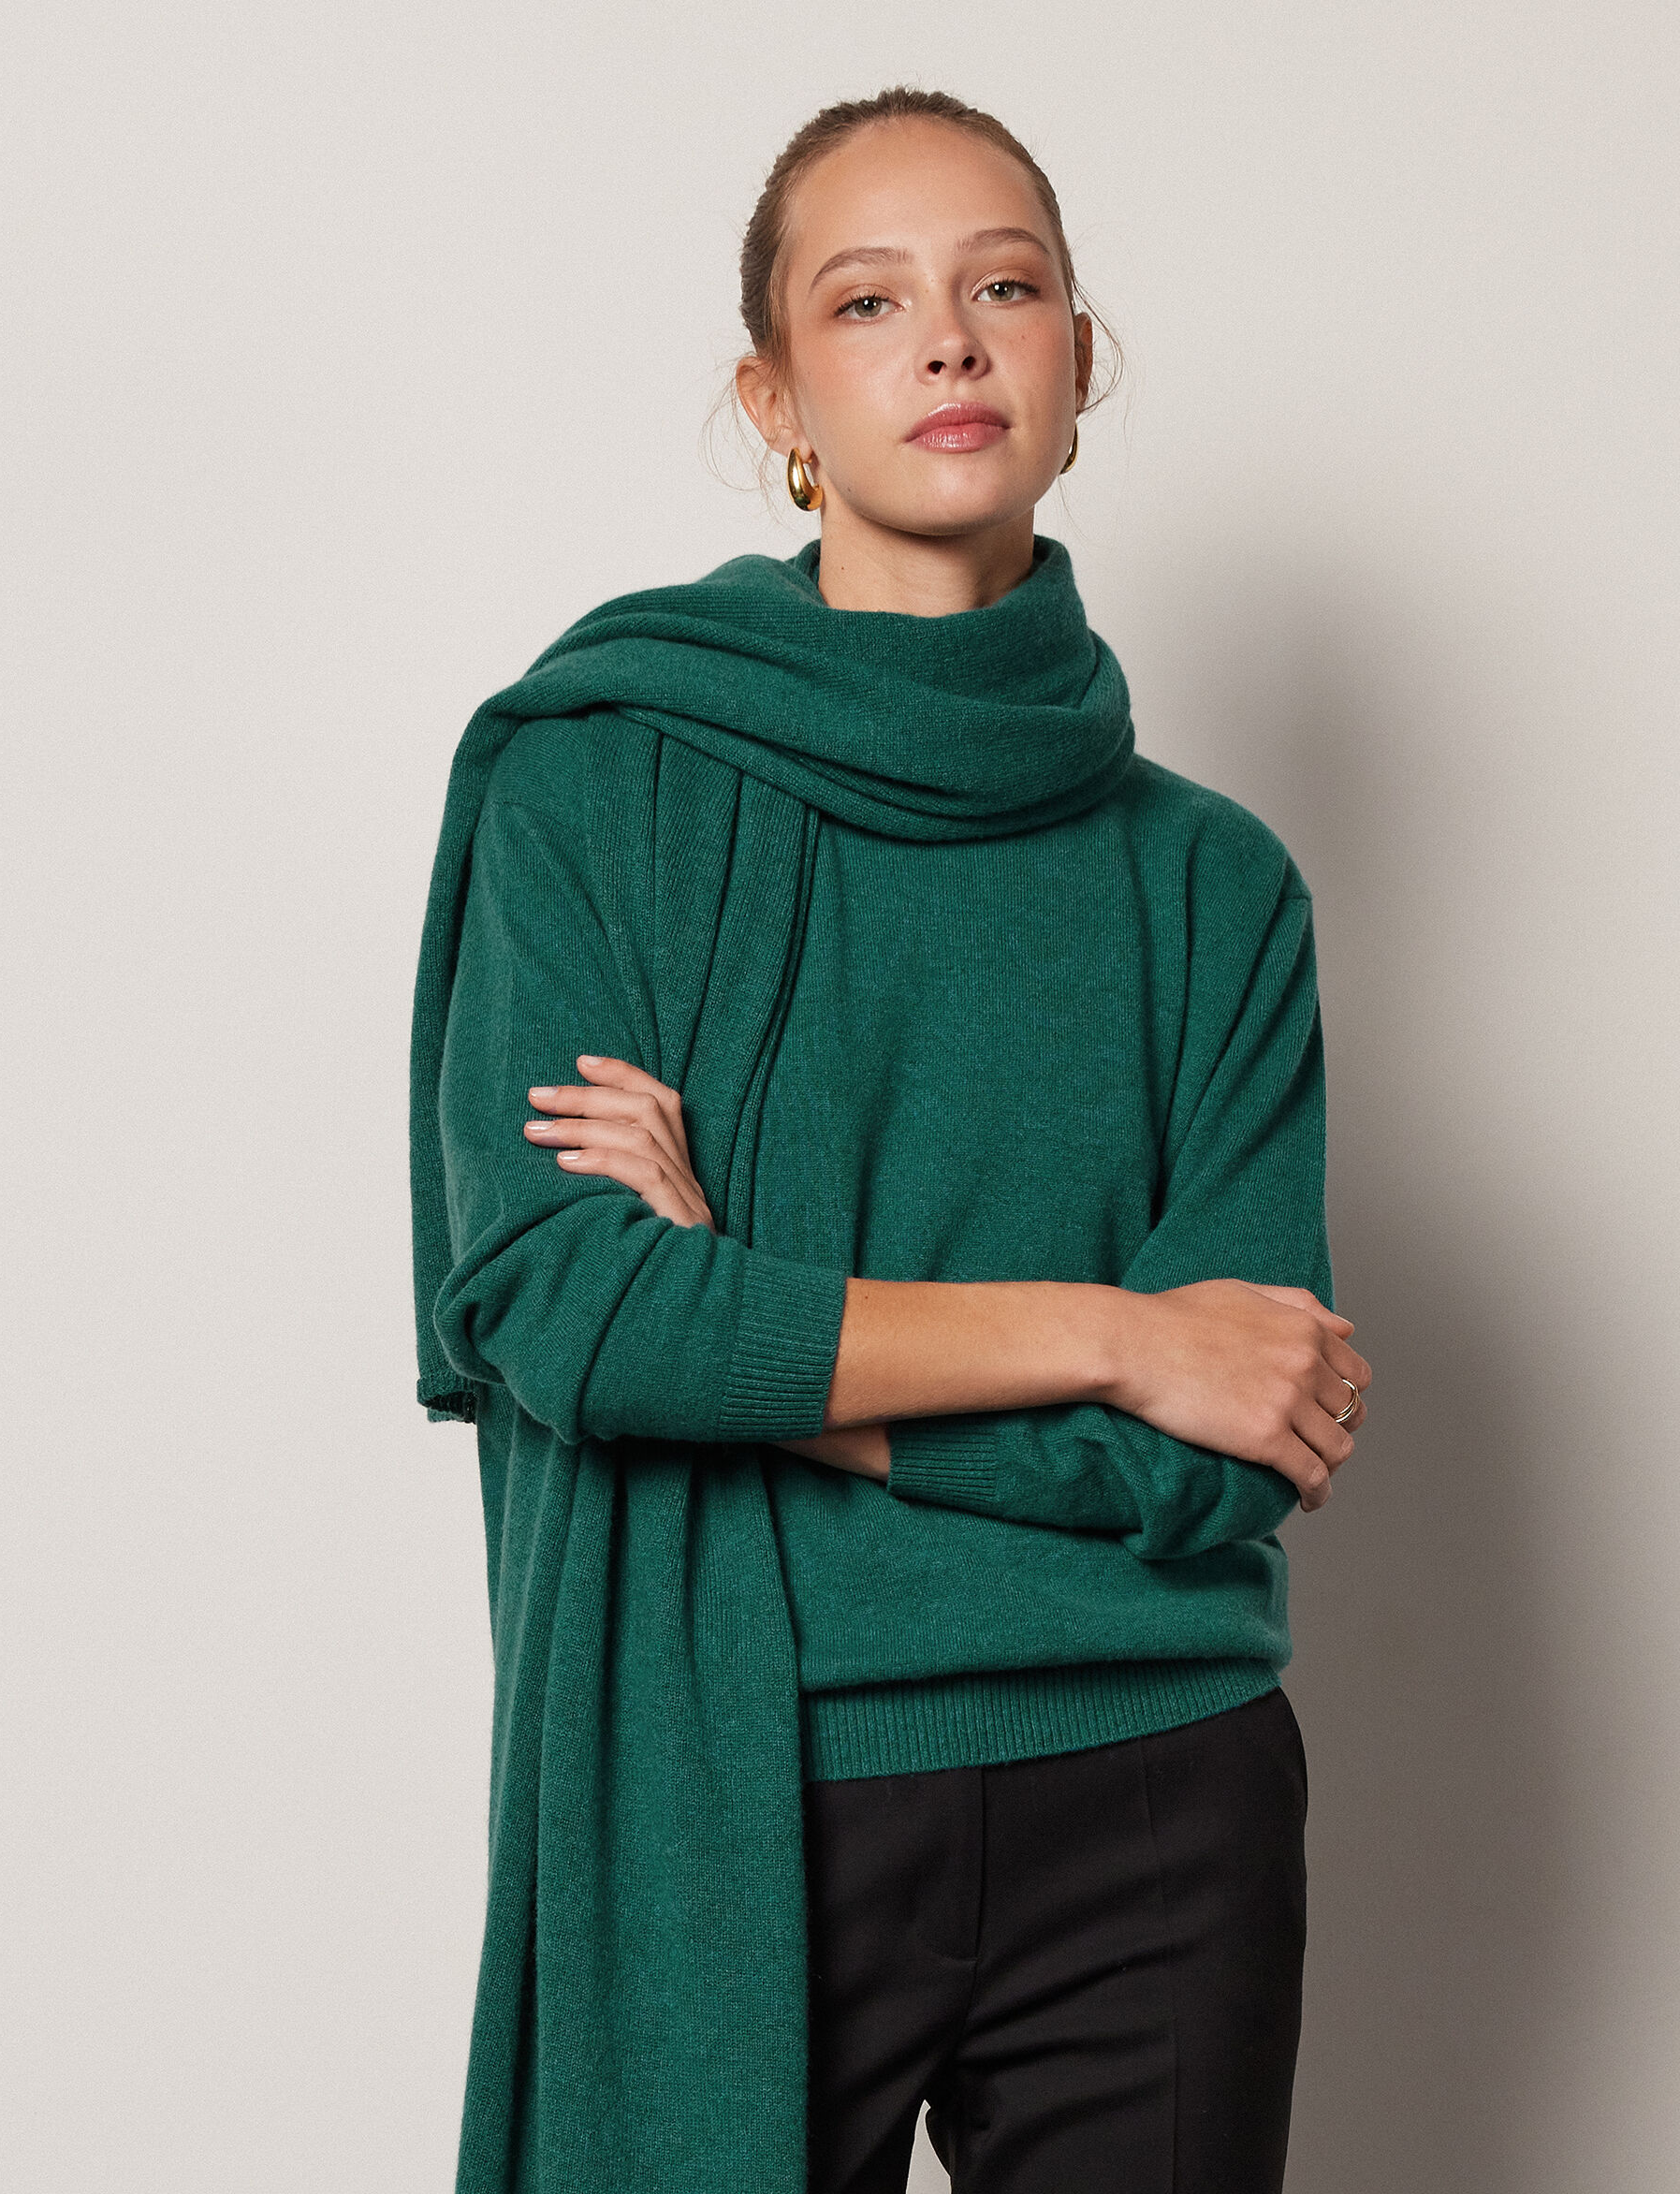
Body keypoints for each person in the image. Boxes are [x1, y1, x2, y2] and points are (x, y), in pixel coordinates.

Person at [409, 85, 1371, 2194]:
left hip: (1158, 1795)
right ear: (778, 400)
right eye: (868, 301)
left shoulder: (1213, 884)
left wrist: (758, 1345)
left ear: (1076, 363)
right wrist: (1115, 1336)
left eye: (1004, 286)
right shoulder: (595, 783)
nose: (948, 337)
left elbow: (1221, 1456)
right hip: (739, 1772)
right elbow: (574, 1318)